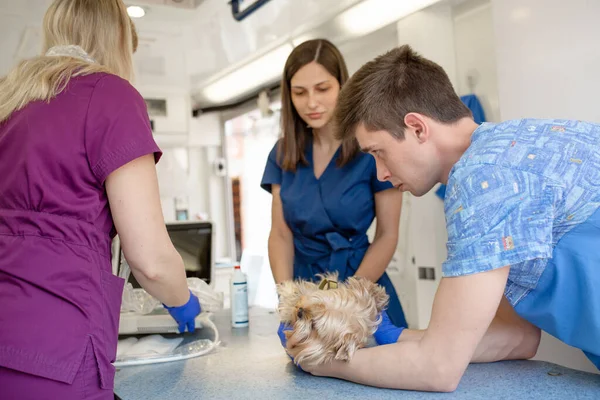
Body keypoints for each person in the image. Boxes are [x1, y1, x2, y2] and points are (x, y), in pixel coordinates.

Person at [293, 44, 600, 391]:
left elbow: (437, 368)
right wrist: (393, 337)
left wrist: (319, 360)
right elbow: (515, 336)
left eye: (379, 152)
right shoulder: (515, 147)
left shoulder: (483, 183)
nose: (379, 173)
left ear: (417, 128)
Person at [0, 1, 200, 399]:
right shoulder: (110, 95)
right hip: (56, 344)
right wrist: (184, 303)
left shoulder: (9, 99)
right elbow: (152, 261)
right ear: (119, 40)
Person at [261, 39, 408, 335]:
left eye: (323, 89)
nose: (311, 103)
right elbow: (280, 233)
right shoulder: (282, 153)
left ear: (342, 84)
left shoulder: (371, 147)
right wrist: (288, 298)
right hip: (305, 288)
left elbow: (387, 234)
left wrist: (349, 299)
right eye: (299, 93)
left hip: (361, 283)